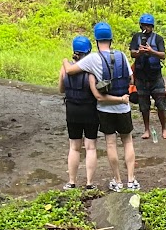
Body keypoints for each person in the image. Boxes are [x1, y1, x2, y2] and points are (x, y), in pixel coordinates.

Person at [73, 20, 138, 192]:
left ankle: (117, 181)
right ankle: (131, 181)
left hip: (105, 109)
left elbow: (71, 71)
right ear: (111, 39)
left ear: (96, 40)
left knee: (111, 144)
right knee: (127, 141)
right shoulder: (122, 56)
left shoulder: (93, 58)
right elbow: (131, 79)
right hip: (124, 107)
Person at [59, 34, 99, 190]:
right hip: (90, 110)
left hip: (72, 110)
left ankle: (72, 181)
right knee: (90, 147)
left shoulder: (65, 67)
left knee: (74, 147)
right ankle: (89, 183)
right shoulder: (91, 69)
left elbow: (61, 89)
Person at [132, 12, 166, 140]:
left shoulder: (158, 39)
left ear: (152, 26)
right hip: (141, 77)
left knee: (161, 104)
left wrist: (151, 51)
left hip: (156, 77)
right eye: (143, 25)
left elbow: (163, 55)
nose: (145, 28)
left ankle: (164, 129)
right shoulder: (136, 38)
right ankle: (146, 129)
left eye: (148, 26)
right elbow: (132, 53)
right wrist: (139, 52)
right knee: (144, 106)